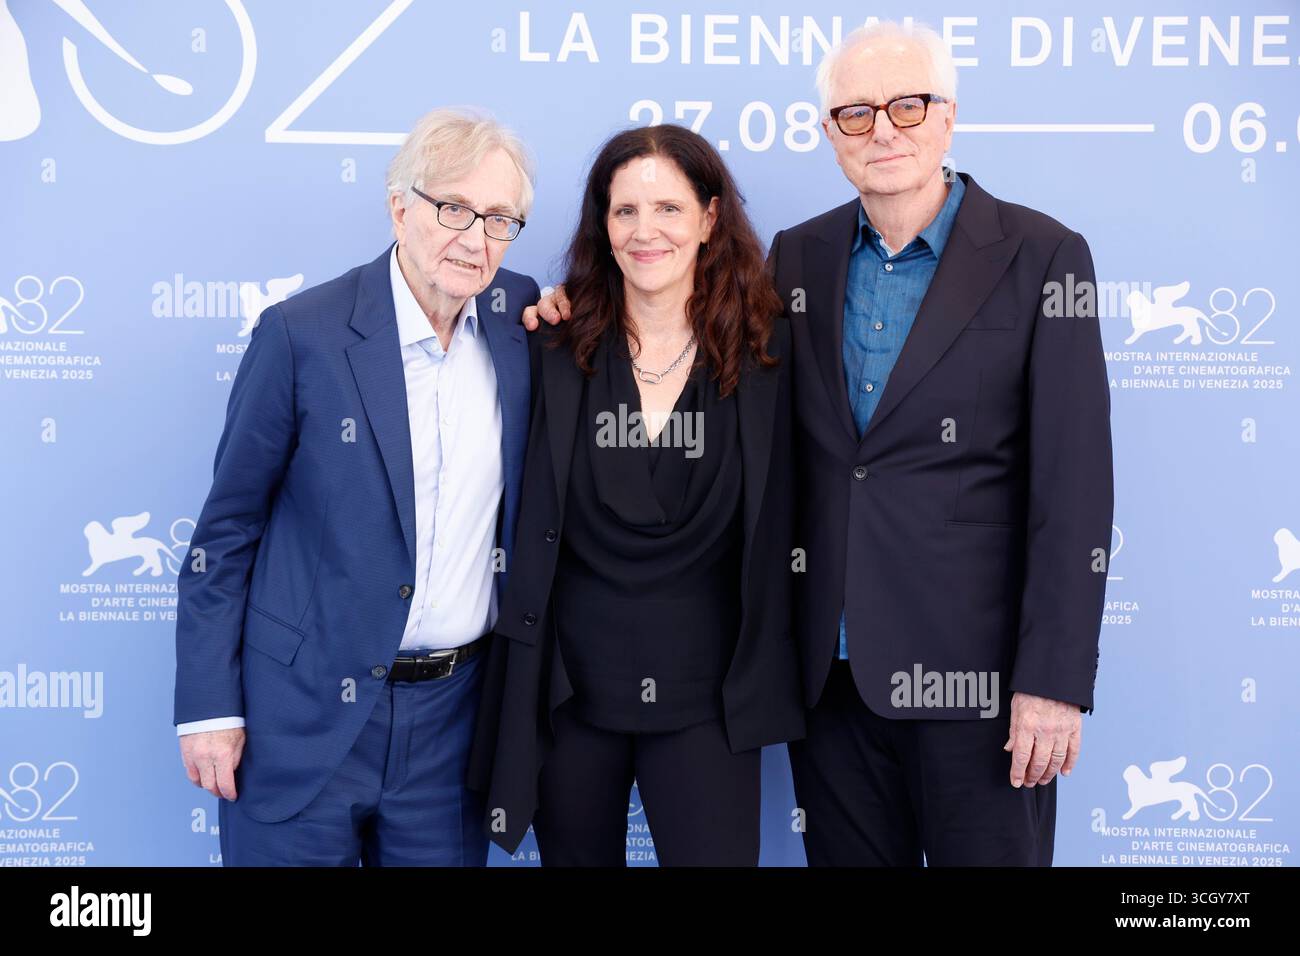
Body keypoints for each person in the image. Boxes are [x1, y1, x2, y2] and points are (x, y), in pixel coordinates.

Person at [526, 21, 1114, 866]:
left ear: (948, 118)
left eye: (907, 108)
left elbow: (1076, 486)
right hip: (827, 682)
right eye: (855, 113)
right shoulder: (799, 260)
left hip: (978, 687)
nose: (883, 131)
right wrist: (566, 309)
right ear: (830, 133)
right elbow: (675, 320)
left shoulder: (1043, 255)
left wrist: (1052, 681)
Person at [173, 107, 540, 866]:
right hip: (301, 717)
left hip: (454, 726)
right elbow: (226, 533)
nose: (475, 239)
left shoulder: (521, 320)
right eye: (454, 209)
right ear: (399, 205)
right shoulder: (301, 334)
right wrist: (210, 705)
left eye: (500, 219)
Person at [468, 124, 805, 866]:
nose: (645, 231)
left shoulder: (770, 352)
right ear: (602, 224)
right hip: (568, 698)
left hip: (710, 703)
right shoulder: (550, 344)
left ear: (710, 219)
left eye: (669, 209)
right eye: (625, 212)